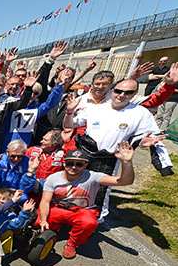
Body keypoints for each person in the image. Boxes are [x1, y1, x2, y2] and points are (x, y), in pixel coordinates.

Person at [64, 79, 170, 221]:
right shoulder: (96, 108)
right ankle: (69, 212)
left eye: (128, 92)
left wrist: (144, 142)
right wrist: (70, 111)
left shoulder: (140, 113)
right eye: (118, 91)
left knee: (100, 191)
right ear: (112, 91)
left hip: (109, 159)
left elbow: (146, 136)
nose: (121, 95)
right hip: (86, 153)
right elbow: (69, 125)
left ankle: (93, 221)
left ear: (135, 94)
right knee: (75, 183)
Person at [38, 145, 135, 259]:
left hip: (82, 211)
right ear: (64, 163)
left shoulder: (93, 176)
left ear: (85, 165)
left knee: (89, 223)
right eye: (70, 163)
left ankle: (72, 243)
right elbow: (45, 201)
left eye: (79, 164)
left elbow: (125, 181)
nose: (73, 167)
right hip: (59, 208)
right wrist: (44, 220)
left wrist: (126, 162)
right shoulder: (53, 178)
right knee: (38, 220)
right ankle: (53, 230)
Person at [25, 130, 68, 194]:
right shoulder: (31, 151)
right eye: (43, 139)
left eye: (45, 140)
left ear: (54, 144)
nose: (41, 141)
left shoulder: (62, 154)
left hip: (52, 189)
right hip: (32, 187)